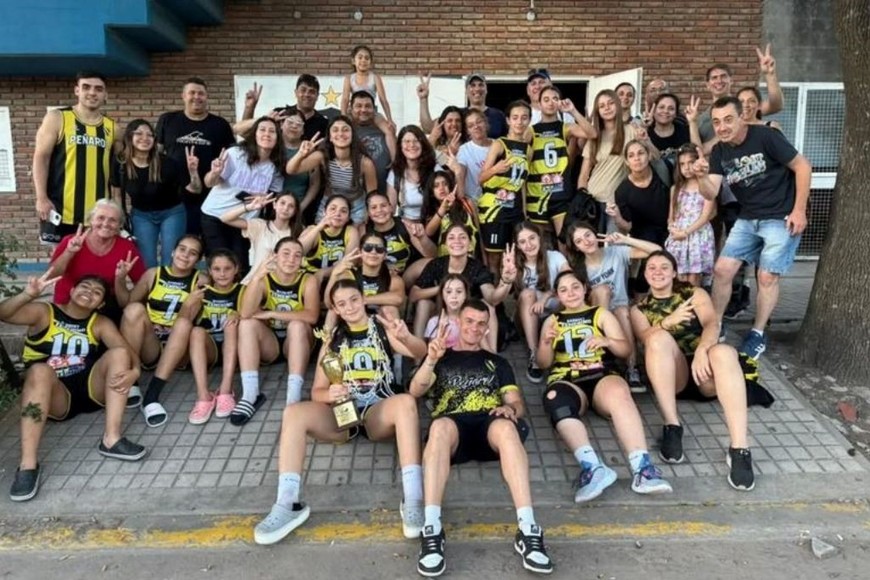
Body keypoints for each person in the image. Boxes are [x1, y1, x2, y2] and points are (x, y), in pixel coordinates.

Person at [253, 279, 427, 545]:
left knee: (405, 402)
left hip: (378, 412)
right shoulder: (332, 338)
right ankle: (287, 503)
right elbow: (317, 391)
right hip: (344, 415)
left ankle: (414, 499)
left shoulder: (382, 327)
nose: (350, 307)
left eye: (354, 300)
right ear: (335, 309)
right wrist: (330, 394)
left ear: (363, 299)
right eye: (342, 304)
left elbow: (421, 352)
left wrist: (405, 337)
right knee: (293, 413)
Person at [410, 299, 553, 577]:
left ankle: (528, 529)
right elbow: (415, 391)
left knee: (508, 428)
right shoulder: (441, 356)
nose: (475, 328)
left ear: (487, 328)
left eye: (481, 324)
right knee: (438, 428)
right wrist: (431, 359)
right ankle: (432, 529)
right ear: (458, 322)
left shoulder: (497, 363)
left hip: (489, 424)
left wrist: (511, 409)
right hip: (453, 426)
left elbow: (517, 403)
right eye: (469, 321)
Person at [630, 251, 774, 490]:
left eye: (664, 267)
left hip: (704, 372)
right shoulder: (639, 309)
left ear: (674, 272)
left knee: (725, 352)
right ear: (644, 274)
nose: (657, 272)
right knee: (657, 338)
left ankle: (739, 448)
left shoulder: (693, 294)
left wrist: (702, 351)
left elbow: (711, 323)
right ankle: (672, 425)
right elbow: (644, 337)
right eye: (651, 268)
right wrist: (667, 322)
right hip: (672, 375)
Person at [3, 274, 145, 502]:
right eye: (84, 286)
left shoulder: (99, 322)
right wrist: (27, 295)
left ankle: (112, 439)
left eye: (97, 292)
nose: (89, 292)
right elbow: (4, 313)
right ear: (71, 291)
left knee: (119, 354)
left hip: (90, 389)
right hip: (54, 394)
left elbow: (126, 350)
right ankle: (28, 465)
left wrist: (135, 371)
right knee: (39, 370)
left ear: (100, 304)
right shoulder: (44, 312)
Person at [537, 270, 673, 502]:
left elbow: (625, 350)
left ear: (584, 288)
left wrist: (607, 340)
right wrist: (546, 342)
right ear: (558, 296)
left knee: (619, 392)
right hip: (566, 377)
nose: (571, 293)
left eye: (575, 287)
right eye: (563, 290)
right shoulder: (552, 320)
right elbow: (543, 363)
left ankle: (642, 468)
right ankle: (593, 468)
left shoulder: (600, 314)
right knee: (553, 399)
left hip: (600, 374)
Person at [695, 96, 811, 359]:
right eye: (716, 122)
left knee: (767, 276)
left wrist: (799, 210)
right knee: (722, 270)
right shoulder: (720, 151)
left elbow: (803, 166)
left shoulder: (766, 137)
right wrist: (700, 176)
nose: (722, 127)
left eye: (728, 120)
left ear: (741, 117)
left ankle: (757, 333)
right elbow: (711, 191)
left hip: (781, 216)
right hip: (748, 217)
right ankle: (716, 325)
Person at [117, 235, 205, 427]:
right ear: (173, 251)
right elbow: (126, 303)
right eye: (182, 249)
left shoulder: (201, 280)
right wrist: (120, 279)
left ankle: (152, 396)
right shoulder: (153, 274)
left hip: (180, 349)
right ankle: (132, 381)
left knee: (183, 324)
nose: (185, 255)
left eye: (192, 253)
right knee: (134, 310)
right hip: (153, 346)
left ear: (198, 260)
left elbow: (189, 317)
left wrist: (188, 303)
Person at [565, 221, 661, 392]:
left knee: (623, 311)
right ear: (576, 248)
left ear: (596, 234)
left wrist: (626, 240)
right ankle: (600, 354)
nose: (586, 241)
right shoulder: (578, 269)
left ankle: (632, 368)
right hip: (596, 317)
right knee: (603, 290)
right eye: (579, 241)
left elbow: (657, 251)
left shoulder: (616, 252)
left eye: (588, 235)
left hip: (620, 311)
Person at [236, 237, 320, 420]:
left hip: (298, 341)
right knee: (246, 324)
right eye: (286, 254)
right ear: (275, 256)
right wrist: (256, 277)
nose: (291, 259)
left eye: (297, 255)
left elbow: (312, 316)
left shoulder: (308, 279)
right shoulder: (264, 279)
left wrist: (272, 314)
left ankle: (293, 397)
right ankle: (250, 394)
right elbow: (245, 313)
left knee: (297, 325)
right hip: (271, 343)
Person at [33, 71, 116, 244]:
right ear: (77, 90)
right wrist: (41, 198)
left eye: (98, 89)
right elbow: (41, 158)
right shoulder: (57, 118)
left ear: (105, 95)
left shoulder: (113, 128)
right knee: (62, 259)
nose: (92, 92)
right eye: (86, 87)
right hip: (60, 208)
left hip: (98, 214)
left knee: (95, 259)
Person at [111, 119, 202, 268]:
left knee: (170, 260)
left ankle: (169, 283)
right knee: (146, 262)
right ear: (129, 137)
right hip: (141, 215)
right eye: (139, 133)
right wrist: (119, 219)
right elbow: (116, 194)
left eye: (150, 135)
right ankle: (151, 284)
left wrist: (193, 173)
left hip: (171, 213)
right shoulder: (120, 163)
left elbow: (195, 189)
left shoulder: (168, 163)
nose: (145, 138)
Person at [201, 116, 285, 270]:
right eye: (262, 130)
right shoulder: (236, 153)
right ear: (254, 134)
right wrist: (214, 173)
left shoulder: (276, 165)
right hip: (215, 215)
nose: (267, 134)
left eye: (272, 131)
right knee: (219, 264)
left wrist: (265, 197)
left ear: (278, 138)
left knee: (240, 265)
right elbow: (209, 183)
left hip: (243, 221)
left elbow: (275, 195)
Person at [156, 77, 236, 236]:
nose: (196, 97)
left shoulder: (220, 125)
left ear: (207, 97)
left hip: (210, 195)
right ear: (183, 96)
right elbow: (156, 154)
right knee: (178, 242)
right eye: (192, 93)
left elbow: (231, 158)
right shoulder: (168, 120)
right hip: (174, 196)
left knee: (208, 241)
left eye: (201, 93)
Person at [410, 223, 515, 340]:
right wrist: (441, 288)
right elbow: (413, 295)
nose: (457, 241)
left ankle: (490, 351)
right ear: (445, 244)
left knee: (487, 306)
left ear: (470, 244)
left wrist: (506, 281)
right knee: (423, 303)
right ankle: (419, 349)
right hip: (442, 310)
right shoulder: (436, 264)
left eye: (462, 237)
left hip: (469, 313)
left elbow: (492, 298)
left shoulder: (477, 268)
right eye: (451, 237)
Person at [48, 199, 145, 324]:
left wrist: (120, 280)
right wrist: (69, 252)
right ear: (91, 220)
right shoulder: (71, 241)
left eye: (113, 220)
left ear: (120, 225)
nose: (106, 224)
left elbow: (141, 284)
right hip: (68, 303)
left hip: (104, 307)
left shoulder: (127, 248)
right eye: (100, 218)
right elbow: (51, 276)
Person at [528, 85, 597, 238]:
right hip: (537, 195)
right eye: (546, 99)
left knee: (565, 241)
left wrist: (572, 111)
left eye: (555, 99)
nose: (550, 103)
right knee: (538, 243)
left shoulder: (565, 128)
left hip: (561, 194)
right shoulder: (531, 130)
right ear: (539, 104)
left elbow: (592, 134)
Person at [185, 250, 244, 424]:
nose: (222, 273)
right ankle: (203, 396)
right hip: (209, 349)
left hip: (234, 348)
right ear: (209, 271)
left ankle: (226, 390)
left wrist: (239, 314)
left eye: (227, 268)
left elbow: (252, 314)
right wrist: (189, 303)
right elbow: (184, 321)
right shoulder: (203, 292)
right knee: (196, 331)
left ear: (236, 269)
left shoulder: (243, 290)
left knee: (231, 324)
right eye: (217, 269)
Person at [287, 115, 378, 226]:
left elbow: (372, 195)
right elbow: (291, 170)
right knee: (320, 233)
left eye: (345, 130)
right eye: (335, 130)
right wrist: (301, 154)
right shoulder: (322, 156)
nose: (340, 134)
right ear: (330, 137)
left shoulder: (365, 163)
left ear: (352, 135)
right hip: (329, 203)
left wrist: (367, 215)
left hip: (356, 206)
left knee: (353, 234)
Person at [478, 100, 532, 276]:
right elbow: (481, 178)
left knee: (517, 256)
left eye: (524, 118)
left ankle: (516, 290)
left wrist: (524, 212)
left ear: (529, 120)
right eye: (515, 117)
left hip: (515, 210)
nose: (519, 122)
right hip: (495, 209)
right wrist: (496, 169)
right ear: (508, 120)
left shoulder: (528, 150)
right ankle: (494, 292)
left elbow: (522, 184)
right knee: (494, 258)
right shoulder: (499, 144)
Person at [577, 89, 643, 233]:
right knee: (593, 244)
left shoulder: (632, 130)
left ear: (618, 105)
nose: (606, 108)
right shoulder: (595, 137)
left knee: (615, 244)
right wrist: (582, 199)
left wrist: (646, 139)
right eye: (601, 106)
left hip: (618, 202)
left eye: (610, 103)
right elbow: (583, 175)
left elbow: (652, 157)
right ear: (597, 111)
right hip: (593, 201)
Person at [512, 221, 570, 383]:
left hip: (553, 314)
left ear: (539, 238)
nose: (529, 245)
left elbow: (569, 280)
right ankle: (534, 355)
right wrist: (506, 276)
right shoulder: (515, 264)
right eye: (523, 241)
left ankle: (565, 348)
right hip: (527, 318)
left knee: (565, 294)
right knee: (528, 293)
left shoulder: (555, 257)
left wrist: (545, 297)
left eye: (532, 238)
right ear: (518, 246)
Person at [220, 191, 303, 285]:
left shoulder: (298, 233)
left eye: (291, 206)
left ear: (295, 211)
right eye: (282, 203)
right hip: (254, 281)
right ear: (274, 205)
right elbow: (225, 218)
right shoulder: (260, 226)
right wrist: (249, 207)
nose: (285, 208)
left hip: (281, 286)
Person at [664, 145, 716, 286]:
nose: (686, 168)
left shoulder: (706, 186)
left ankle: (695, 300)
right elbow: (671, 216)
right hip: (679, 235)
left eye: (691, 162)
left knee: (694, 278)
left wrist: (686, 232)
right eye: (682, 164)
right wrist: (672, 228)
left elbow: (705, 216)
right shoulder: (675, 189)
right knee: (679, 276)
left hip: (698, 234)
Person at [365, 191, 436, 280]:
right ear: (368, 212)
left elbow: (432, 255)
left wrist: (422, 238)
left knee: (430, 262)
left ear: (391, 207)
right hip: (380, 278)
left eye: (383, 205)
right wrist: (384, 270)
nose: (379, 210)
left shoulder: (404, 224)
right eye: (373, 207)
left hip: (407, 275)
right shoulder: (365, 231)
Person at [418, 73, 507, 139]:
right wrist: (423, 99)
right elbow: (428, 128)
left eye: (481, 85)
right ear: (466, 91)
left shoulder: (498, 115)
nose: (477, 89)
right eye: (472, 85)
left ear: (486, 89)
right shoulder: (458, 115)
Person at [423, 274, 495, 353]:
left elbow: (486, 350)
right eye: (449, 292)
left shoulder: (473, 321)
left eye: (459, 291)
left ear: (466, 294)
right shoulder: (434, 322)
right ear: (442, 295)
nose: (454, 296)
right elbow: (433, 352)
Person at [299, 195, 361, 286]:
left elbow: (350, 263)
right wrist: (318, 227)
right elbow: (298, 252)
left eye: (343, 211)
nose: (338, 213)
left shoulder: (351, 232)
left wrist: (323, 272)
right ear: (324, 212)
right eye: (333, 209)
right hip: (310, 276)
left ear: (348, 217)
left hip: (338, 277)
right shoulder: (312, 230)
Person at [340, 45, 396, 140]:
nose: (363, 60)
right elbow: (345, 99)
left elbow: (383, 99)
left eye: (367, 58)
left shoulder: (375, 78)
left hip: (371, 112)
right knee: (342, 129)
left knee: (389, 130)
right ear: (353, 61)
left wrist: (389, 119)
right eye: (360, 57)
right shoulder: (349, 78)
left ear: (370, 62)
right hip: (354, 113)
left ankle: (393, 150)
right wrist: (343, 116)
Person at [388, 125, 439, 224]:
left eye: (416, 141)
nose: (412, 145)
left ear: (422, 144)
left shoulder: (434, 168)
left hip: (433, 223)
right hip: (406, 224)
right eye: (407, 141)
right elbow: (391, 210)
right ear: (400, 146)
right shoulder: (395, 173)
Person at [423, 170, 479, 258]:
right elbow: (429, 232)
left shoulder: (466, 203)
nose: (441, 188)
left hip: (470, 257)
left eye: (445, 184)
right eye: (436, 186)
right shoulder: (432, 211)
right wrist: (443, 208)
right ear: (432, 193)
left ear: (451, 186)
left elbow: (479, 233)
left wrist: (484, 259)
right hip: (446, 260)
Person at [279, 107, 322, 214]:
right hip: (269, 204)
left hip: (297, 206)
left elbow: (314, 184)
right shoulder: (270, 146)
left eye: (299, 124)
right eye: (290, 122)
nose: (294, 126)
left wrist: (300, 208)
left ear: (303, 130)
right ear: (281, 124)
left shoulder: (309, 150)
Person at [350, 90, 395, 190]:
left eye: (368, 106)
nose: (363, 110)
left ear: (374, 109)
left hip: (384, 195)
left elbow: (397, 159)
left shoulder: (385, 129)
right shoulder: (345, 131)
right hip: (355, 196)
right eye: (358, 106)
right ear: (351, 109)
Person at [455, 109, 493, 204]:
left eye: (479, 122)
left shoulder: (498, 145)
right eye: (470, 125)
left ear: (486, 123)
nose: (476, 126)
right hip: (473, 202)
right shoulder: (464, 149)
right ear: (467, 131)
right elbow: (461, 174)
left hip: (495, 201)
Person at [647, 93, 691, 166]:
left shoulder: (684, 131)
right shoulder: (646, 131)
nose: (666, 111)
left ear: (676, 114)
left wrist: (693, 122)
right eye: (661, 107)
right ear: (654, 111)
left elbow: (696, 151)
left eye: (671, 109)